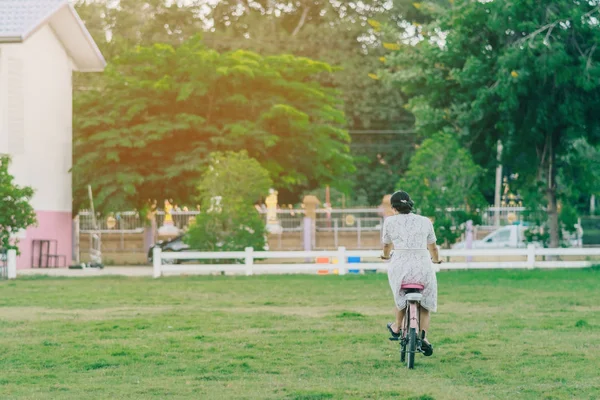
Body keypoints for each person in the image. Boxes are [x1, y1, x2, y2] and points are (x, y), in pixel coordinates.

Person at [380, 190, 442, 356]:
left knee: (400, 296)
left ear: (394, 207)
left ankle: (397, 326)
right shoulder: (425, 221)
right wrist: (436, 260)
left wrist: (385, 256)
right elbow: (433, 247)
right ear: (410, 205)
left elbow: (387, 246)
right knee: (425, 304)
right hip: (423, 266)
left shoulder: (390, 222)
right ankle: (423, 337)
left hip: (400, 266)